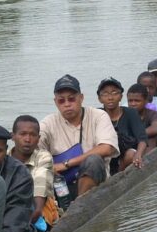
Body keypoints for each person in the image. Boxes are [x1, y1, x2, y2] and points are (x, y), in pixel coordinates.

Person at [39, 74, 118, 202]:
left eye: (71, 99)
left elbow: (107, 148)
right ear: (55, 102)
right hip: (61, 185)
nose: (67, 104)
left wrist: (66, 164)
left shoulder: (98, 116)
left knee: (93, 160)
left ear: (81, 98)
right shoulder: (48, 123)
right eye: (61, 100)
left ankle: (80, 205)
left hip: (95, 180)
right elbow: (32, 150)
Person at [8, 115, 59, 226]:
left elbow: (38, 201)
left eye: (33, 135)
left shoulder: (43, 157)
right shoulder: (4, 158)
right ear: (13, 136)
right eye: (23, 134)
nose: (27, 139)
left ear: (38, 138)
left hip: (37, 211)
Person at [97, 77, 147, 173]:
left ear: (120, 96)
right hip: (106, 158)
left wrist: (138, 155)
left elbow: (142, 139)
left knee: (131, 154)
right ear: (100, 99)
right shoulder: (97, 115)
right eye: (105, 94)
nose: (110, 97)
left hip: (125, 159)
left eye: (114, 93)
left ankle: (118, 176)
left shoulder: (131, 113)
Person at [126, 83, 157, 151]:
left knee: (151, 138)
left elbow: (156, 128)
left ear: (146, 101)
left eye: (137, 101)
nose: (133, 104)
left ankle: (148, 160)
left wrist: (136, 135)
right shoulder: (125, 113)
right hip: (130, 146)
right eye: (130, 101)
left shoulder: (151, 113)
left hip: (146, 145)